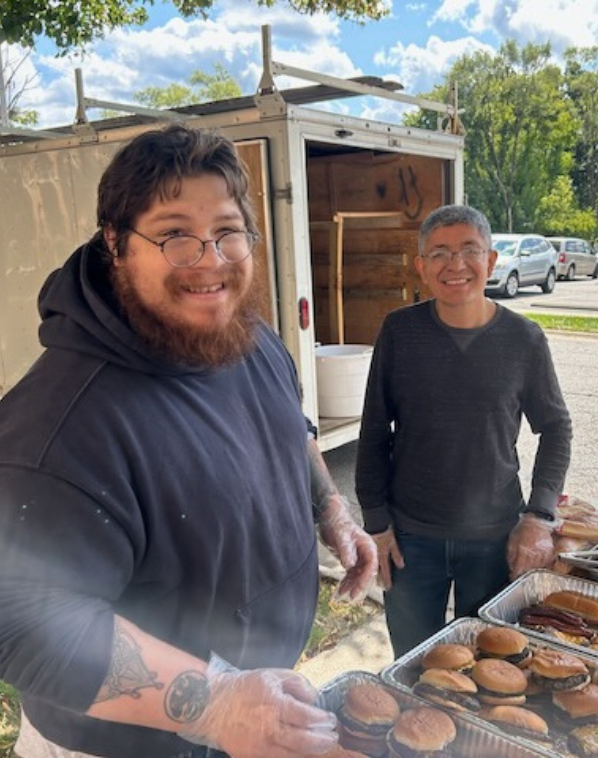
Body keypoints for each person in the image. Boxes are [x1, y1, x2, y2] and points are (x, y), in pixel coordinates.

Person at [0, 124, 377, 758]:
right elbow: (22, 621)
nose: (211, 259)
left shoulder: (245, 336)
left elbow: (292, 427)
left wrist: (330, 510)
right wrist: (216, 702)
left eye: (228, 231)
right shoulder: (59, 423)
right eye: (175, 235)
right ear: (116, 244)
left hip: (247, 714)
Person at [356, 205, 572, 658]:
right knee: (416, 663)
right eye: (439, 254)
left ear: (491, 260)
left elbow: (556, 427)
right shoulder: (400, 332)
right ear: (421, 267)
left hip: (495, 540)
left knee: (492, 664)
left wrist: (538, 516)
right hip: (410, 543)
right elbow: (374, 430)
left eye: (468, 251)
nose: (455, 265)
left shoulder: (524, 339)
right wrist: (376, 525)